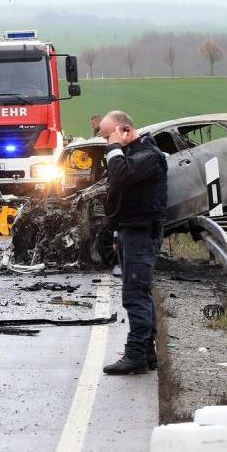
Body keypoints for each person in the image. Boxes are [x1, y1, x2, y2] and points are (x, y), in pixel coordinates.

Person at [97, 110, 168, 376]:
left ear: (125, 130)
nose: (107, 142)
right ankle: (147, 354)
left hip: (142, 232)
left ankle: (136, 354)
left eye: (108, 136)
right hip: (131, 231)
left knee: (135, 294)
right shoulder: (134, 154)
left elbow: (120, 176)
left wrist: (115, 147)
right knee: (139, 293)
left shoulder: (148, 156)